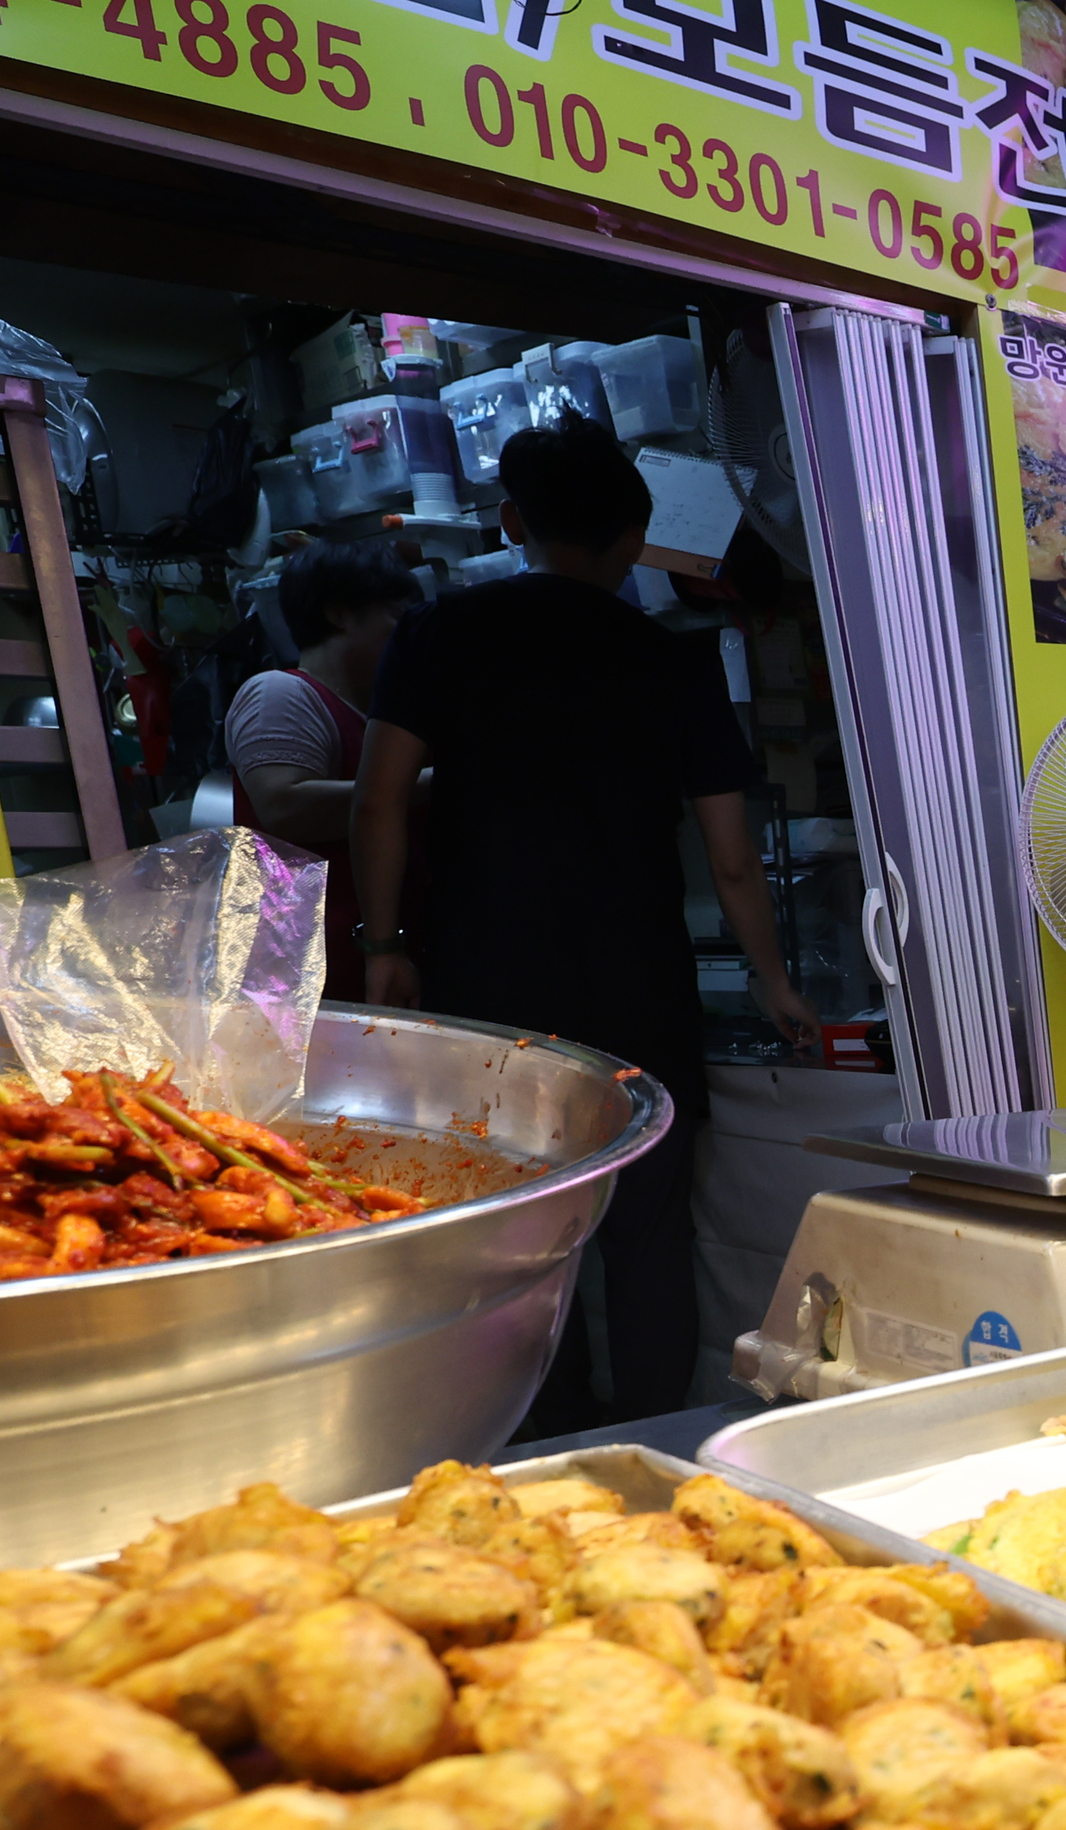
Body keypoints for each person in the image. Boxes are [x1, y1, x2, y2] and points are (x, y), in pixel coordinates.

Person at [349, 422, 816, 1435]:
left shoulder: (440, 632)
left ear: (513, 521)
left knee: (517, 1233)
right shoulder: (671, 662)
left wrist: (385, 945)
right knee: (646, 1236)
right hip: (636, 983)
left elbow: (379, 800)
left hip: (489, 986)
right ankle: (655, 1438)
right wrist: (775, 981)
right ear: (638, 535)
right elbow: (731, 853)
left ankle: (539, 1438)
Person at [223, 539, 424, 996]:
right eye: (396, 616)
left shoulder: (375, 716)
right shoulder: (281, 694)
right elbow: (284, 808)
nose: (408, 635)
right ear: (338, 613)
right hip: (311, 974)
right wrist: (436, 785)